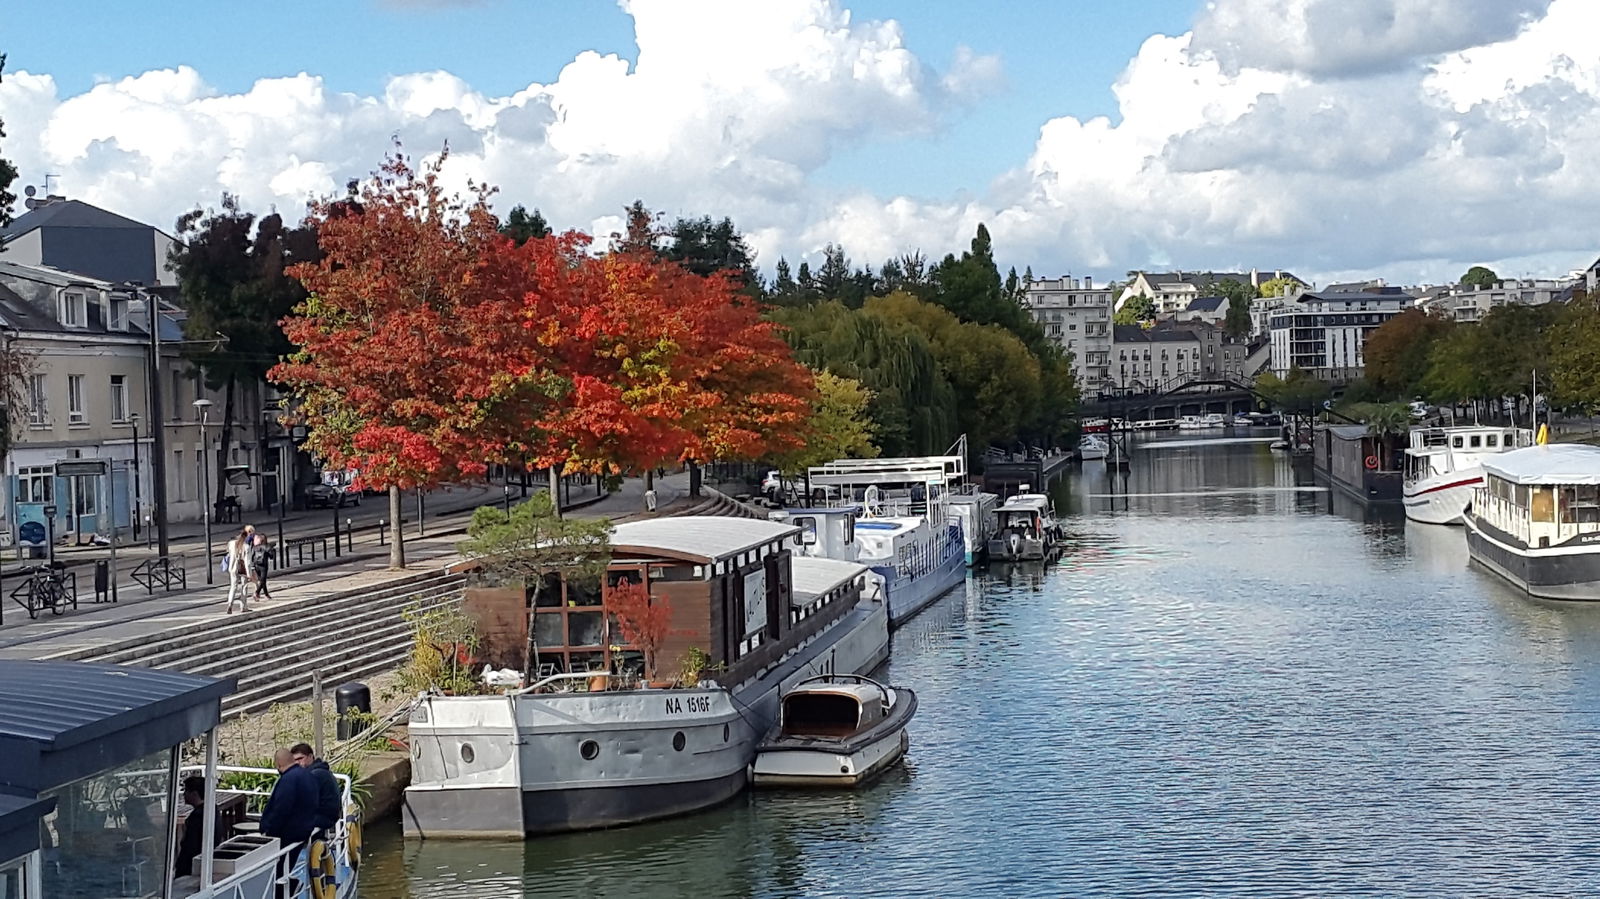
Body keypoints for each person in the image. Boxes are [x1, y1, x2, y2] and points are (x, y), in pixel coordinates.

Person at [260, 748, 318, 864]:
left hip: (287, 835)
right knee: (288, 865)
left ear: (278, 764)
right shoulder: (308, 776)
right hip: (305, 829)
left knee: (278, 868)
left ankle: (282, 881)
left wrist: (269, 832)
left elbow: (281, 809)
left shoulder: (287, 781)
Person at [290, 742, 342, 836]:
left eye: (300, 758)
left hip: (324, 817)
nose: (297, 763)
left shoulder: (315, 775)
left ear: (310, 757)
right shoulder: (320, 771)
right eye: (294, 761)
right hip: (325, 815)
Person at [174, 776, 206, 878]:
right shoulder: (212, 810)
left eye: (186, 791)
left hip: (192, 867)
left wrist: (181, 868)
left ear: (195, 794)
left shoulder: (196, 817)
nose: (183, 794)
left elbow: (190, 846)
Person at [223, 529, 254, 614]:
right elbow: (247, 562)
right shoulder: (246, 547)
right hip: (242, 569)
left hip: (232, 568)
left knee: (233, 586)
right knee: (244, 587)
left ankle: (230, 604)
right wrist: (249, 574)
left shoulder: (232, 543)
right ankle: (243, 607)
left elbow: (228, 553)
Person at [250, 533, 273, 602]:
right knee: (263, 580)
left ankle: (266, 595)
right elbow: (271, 556)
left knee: (262, 581)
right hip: (263, 565)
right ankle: (257, 592)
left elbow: (252, 556)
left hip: (256, 565)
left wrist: (252, 566)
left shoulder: (255, 547)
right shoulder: (267, 547)